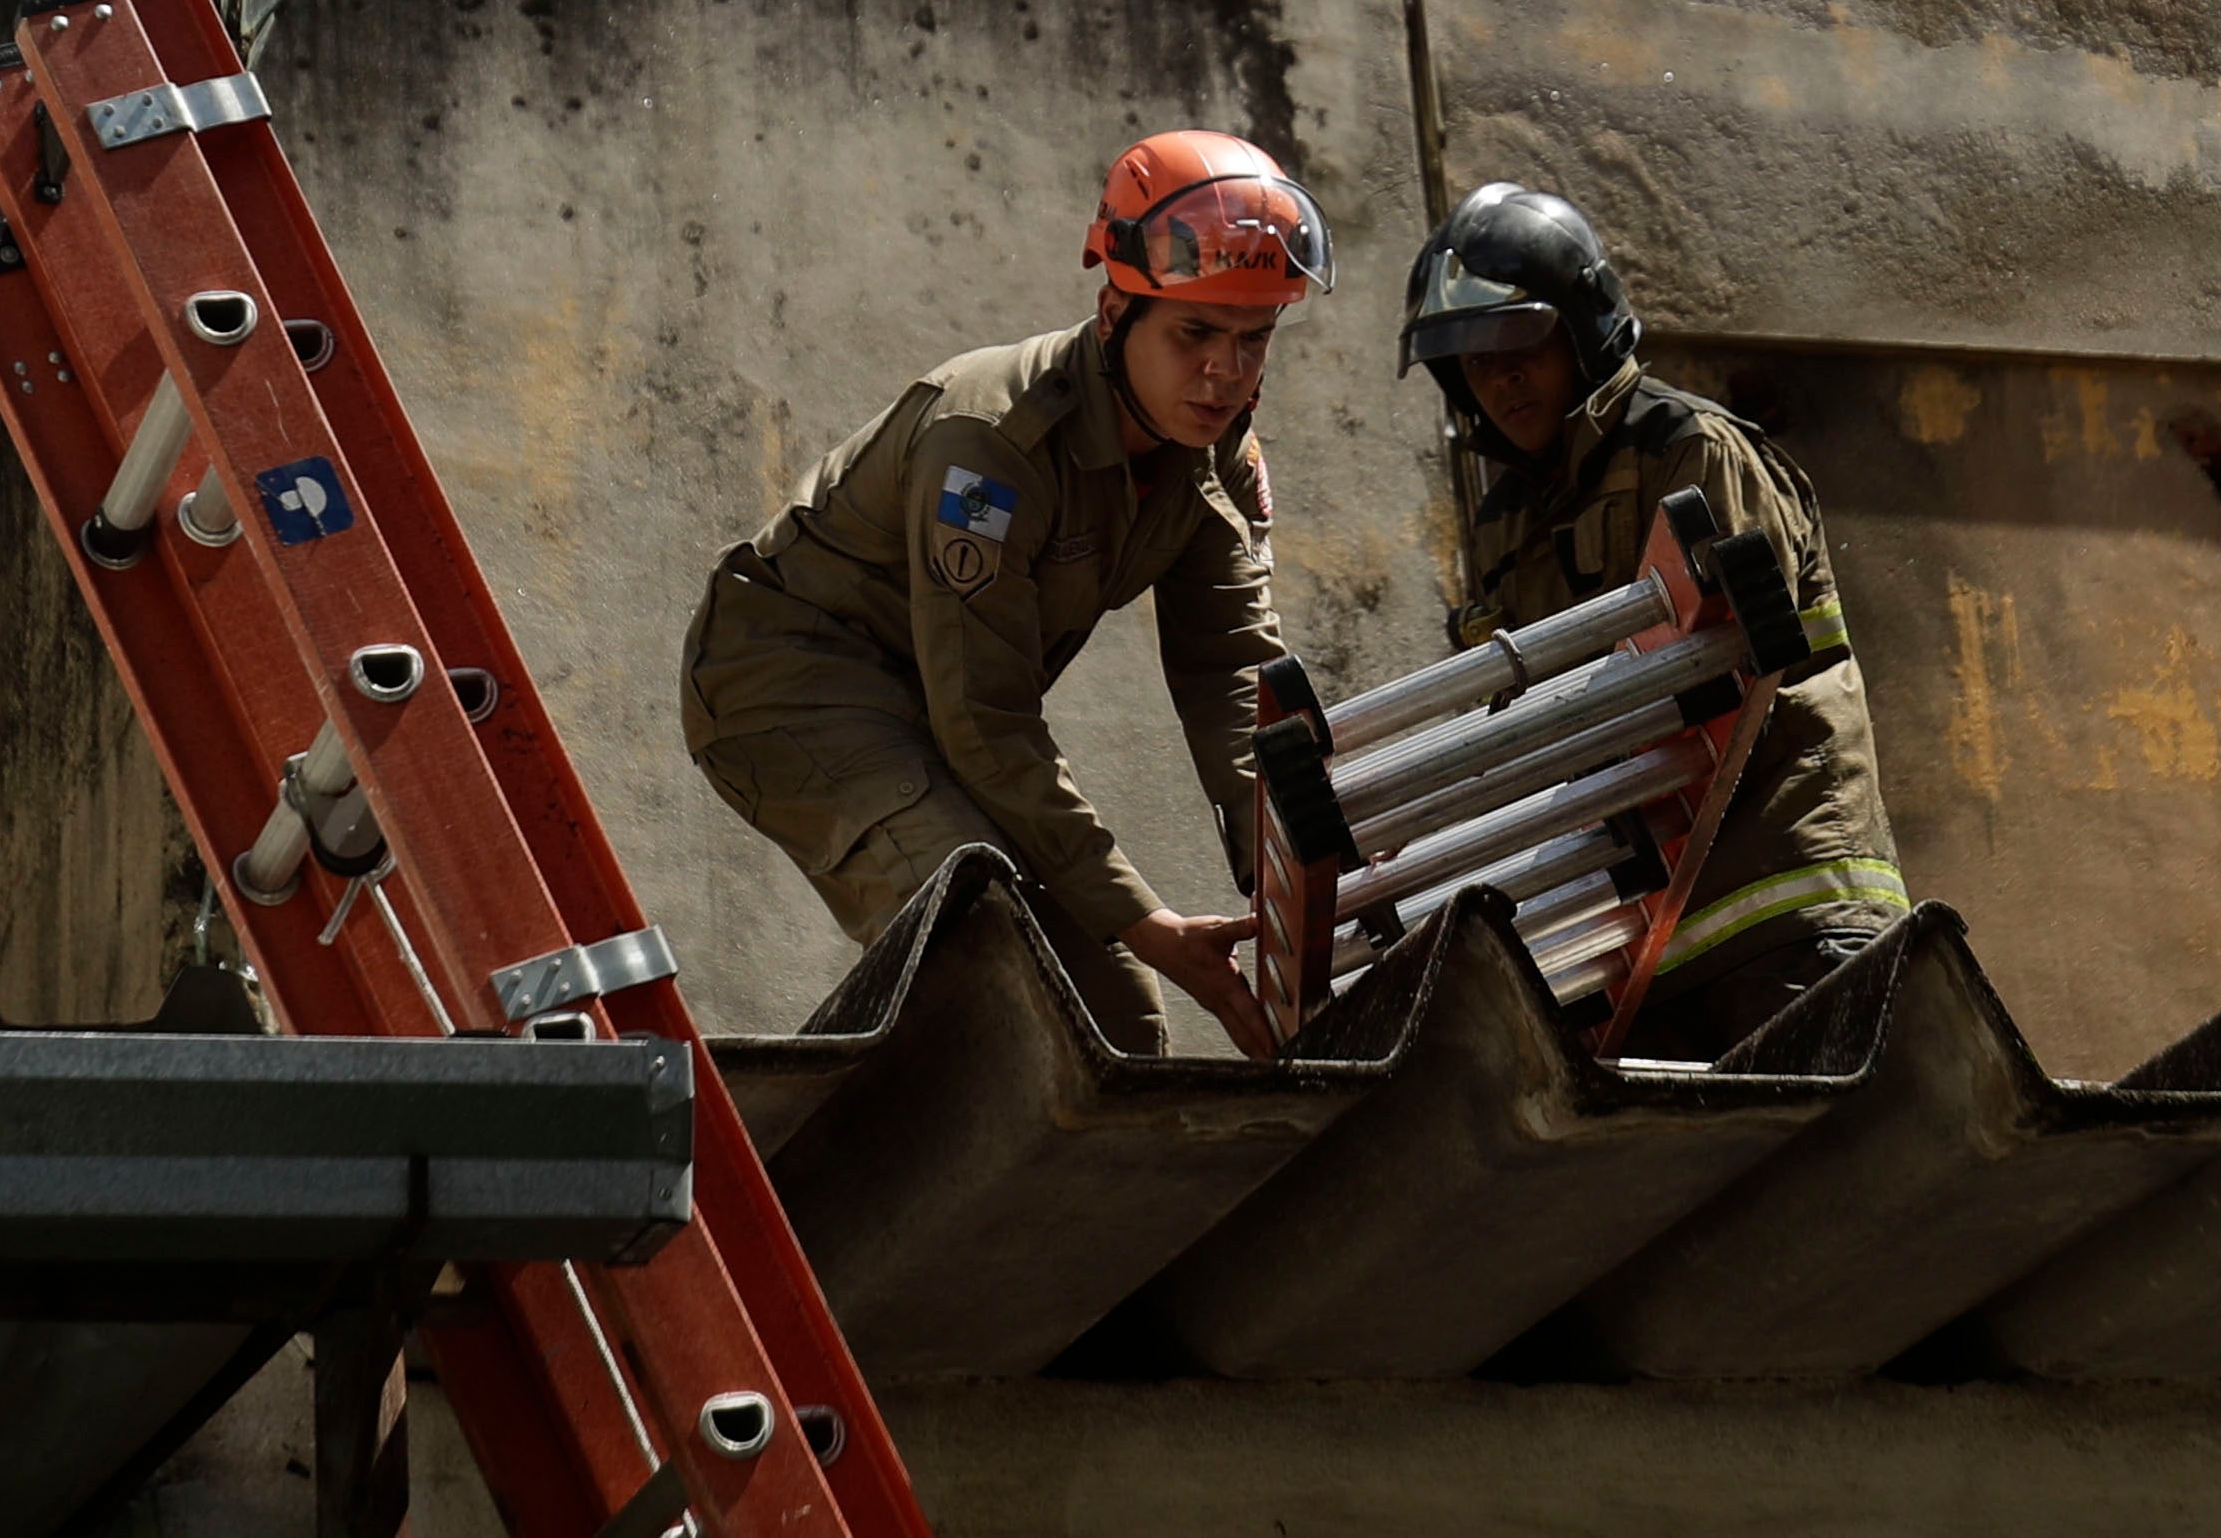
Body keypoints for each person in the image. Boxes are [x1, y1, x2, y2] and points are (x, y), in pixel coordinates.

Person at [681, 131, 1331, 1057]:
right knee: (996, 975)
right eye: (1194, 333)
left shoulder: (1218, 448)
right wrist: (1145, 918)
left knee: (1114, 1022)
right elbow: (984, 717)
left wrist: (1292, 868)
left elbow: (1231, 666)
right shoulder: (990, 443)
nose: (1225, 373)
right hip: (786, 684)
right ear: (1116, 312)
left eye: (1253, 338)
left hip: (935, 706)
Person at [1401, 184, 1904, 1059]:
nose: (1499, 375)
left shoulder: (1692, 449)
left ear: (1582, 327)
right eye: (1471, 359)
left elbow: (1731, 677)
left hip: (1780, 905)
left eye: (1518, 341)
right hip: (1632, 945)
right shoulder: (1505, 516)